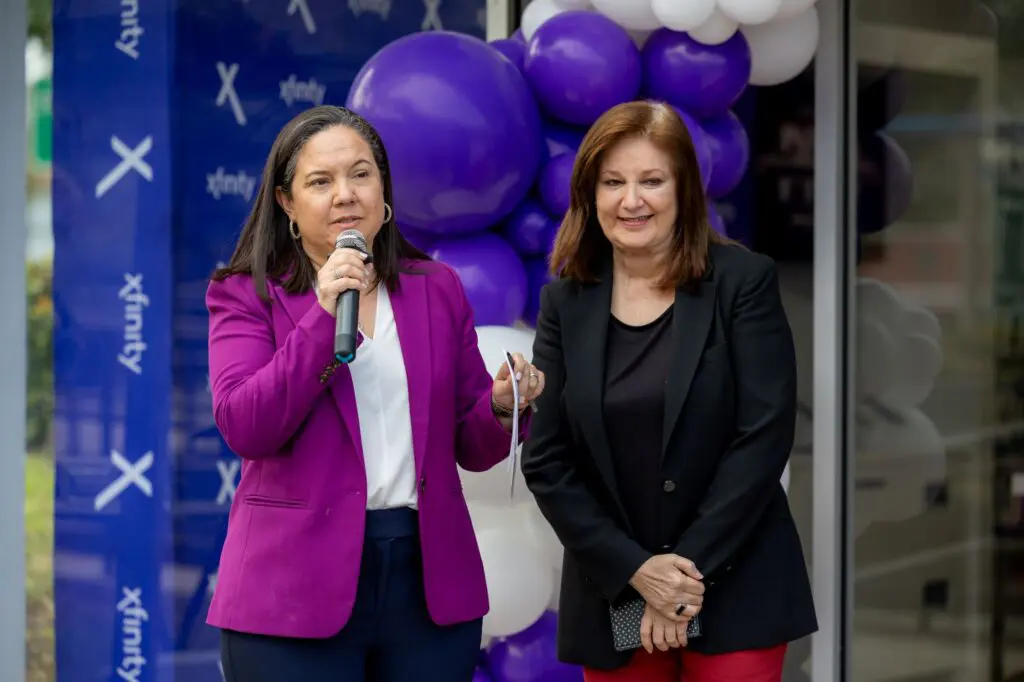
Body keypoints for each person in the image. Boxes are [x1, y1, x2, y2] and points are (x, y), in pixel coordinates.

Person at [205, 105, 544, 682]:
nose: (345, 195)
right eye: (320, 181)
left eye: (361, 174)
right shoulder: (247, 293)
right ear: (286, 203)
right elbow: (246, 424)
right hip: (292, 591)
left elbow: (471, 445)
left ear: (383, 188)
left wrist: (501, 406)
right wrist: (320, 314)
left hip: (426, 584)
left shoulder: (434, 289)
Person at [520, 100, 817, 682]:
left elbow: (764, 435)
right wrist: (639, 572)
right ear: (590, 194)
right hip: (615, 587)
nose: (632, 200)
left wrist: (681, 577)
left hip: (735, 584)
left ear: (683, 190)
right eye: (613, 182)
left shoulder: (742, 282)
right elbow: (547, 459)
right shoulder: (565, 303)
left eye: (651, 181)